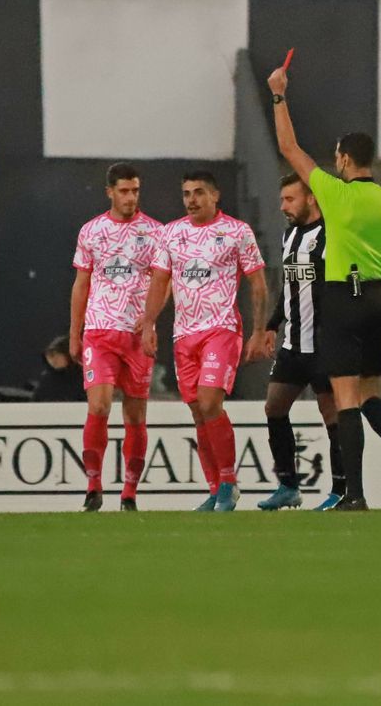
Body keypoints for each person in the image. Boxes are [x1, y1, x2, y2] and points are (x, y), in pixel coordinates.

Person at [268, 63, 381, 511]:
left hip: (341, 296)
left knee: (346, 397)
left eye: (337, 157)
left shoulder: (335, 194)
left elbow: (287, 146)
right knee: (370, 391)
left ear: (346, 160)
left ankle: (354, 493)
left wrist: (279, 95)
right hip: (376, 295)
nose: (335, 162)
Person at [138, 171, 267, 512]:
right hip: (185, 335)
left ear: (215, 195)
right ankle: (215, 490)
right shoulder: (171, 233)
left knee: (210, 403)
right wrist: (149, 324)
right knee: (198, 412)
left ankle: (228, 482)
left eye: (198, 193)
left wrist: (257, 330)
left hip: (221, 329)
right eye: (186, 194)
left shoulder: (237, 232)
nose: (191, 199)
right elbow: (160, 282)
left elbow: (257, 284)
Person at [70, 162, 162, 511]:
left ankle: (129, 493)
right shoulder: (91, 231)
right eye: (123, 191)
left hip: (137, 337)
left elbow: (162, 281)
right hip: (99, 331)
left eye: (135, 190)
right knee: (100, 405)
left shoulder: (155, 232)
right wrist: (74, 332)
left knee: (136, 417)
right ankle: (94, 487)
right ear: (110, 192)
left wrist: (150, 318)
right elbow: (81, 284)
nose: (130, 197)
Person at [256, 173, 346, 511]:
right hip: (293, 344)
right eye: (282, 200)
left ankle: (340, 490)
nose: (283, 206)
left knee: (332, 416)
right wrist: (272, 324)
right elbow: (290, 288)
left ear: (311, 198)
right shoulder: (290, 236)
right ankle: (288, 485)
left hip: (323, 346)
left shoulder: (331, 236)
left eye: (290, 199)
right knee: (274, 407)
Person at [33, 336, 86, 402]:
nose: (53, 360)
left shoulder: (84, 378)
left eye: (56, 355)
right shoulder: (46, 380)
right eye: (50, 356)